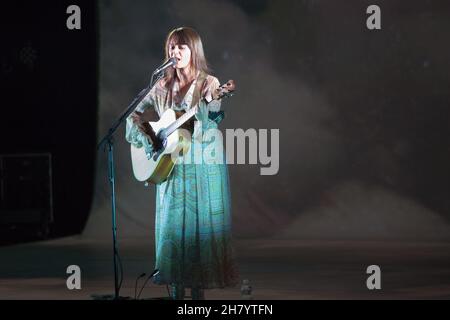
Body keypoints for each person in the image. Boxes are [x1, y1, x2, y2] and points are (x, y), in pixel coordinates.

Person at [125, 27, 238, 300]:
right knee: (173, 229)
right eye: (172, 47)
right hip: (171, 166)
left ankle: (197, 301)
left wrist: (206, 106)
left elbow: (209, 122)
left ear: (193, 51)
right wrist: (150, 135)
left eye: (182, 47)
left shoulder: (209, 84)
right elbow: (133, 116)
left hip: (201, 165)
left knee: (199, 232)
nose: (176, 52)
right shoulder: (161, 85)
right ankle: (176, 296)